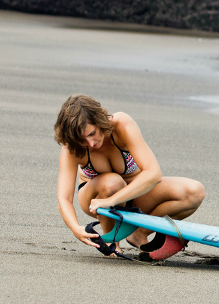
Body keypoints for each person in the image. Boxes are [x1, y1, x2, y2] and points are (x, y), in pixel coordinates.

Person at [54, 94, 204, 258]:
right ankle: (113, 242)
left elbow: (153, 174)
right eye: (82, 140)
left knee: (194, 191)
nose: (90, 144)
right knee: (112, 182)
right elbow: (64, 198)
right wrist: (75, 228)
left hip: (135, 194)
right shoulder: (72, 147)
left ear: (99, 121)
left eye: (92, 133)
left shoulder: (121, 125)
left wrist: (112, 200)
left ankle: (139, 232)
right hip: (95, 198)